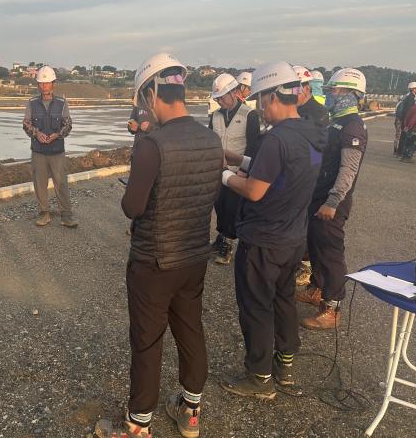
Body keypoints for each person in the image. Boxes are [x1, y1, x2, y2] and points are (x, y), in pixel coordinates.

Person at [95, 53, 223, 438]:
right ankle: (191, 410)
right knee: (190, 329)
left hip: (154, 260)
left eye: (142, 97)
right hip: (194, 255)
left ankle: (138, 425)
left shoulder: (152, 144)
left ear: (152, 93)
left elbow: (132, 207)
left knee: (147, 341)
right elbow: (211, 194)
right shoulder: (211, 139)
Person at [219, 61, 324, 399]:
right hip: (293, 237)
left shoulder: (276, 139)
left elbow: (254, 190)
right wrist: (235, 158)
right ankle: (285, 365)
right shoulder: (309, 133)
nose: (261, 108)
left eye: (261, 100)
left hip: (264, 240)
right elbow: (283, 170)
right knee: (283, 300)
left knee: (256, 306)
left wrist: (223, 175)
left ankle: (259, 377)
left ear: (272, 97)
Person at [298, 69, 368, 329]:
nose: (330, 94)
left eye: (335, 90)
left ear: (352, 94)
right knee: (315, 245)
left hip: (332, 202)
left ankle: (333, 306)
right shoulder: (335, 122)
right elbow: (319, 157)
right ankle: (317, 288)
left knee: (330, 252)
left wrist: (333, 202)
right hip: (318, 195)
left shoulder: (352, 127)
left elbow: (348, 170)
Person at [208, 73, 260, 265]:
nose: (220, 101)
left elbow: (253, 145)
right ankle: (221, 237)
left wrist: (244, 171)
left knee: (232, 208)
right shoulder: (215, 116)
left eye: (222, 97)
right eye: (217, 99)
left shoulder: (249, 115)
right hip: (218, 170)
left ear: (233, 92)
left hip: (238, 171)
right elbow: (211, 141)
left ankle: (228, 245)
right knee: (219, 206)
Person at [22, 66, 78, 228]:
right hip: (38, 152)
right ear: (38, 85)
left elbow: (68, 124)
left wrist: (58, 134)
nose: (44, 86)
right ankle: (44, 213)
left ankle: (66, 215)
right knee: (40, 184)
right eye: (41, 83)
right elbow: (26, 124)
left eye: (47, 83)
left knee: (61, 183)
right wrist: (36, 133)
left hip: (57, 152)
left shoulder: (61, 103)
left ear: (53, 84)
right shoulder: (32, 103)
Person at [293, 66, 330, 286]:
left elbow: (317, 151)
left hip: (309, 177)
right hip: (293, 174)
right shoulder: (295, 109)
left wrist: (309, 175)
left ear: (306, 88)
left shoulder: (317, 112)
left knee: (306, 223)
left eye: (295, 89)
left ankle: (306, 268)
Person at [395, 81, 416, 156]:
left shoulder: (407, 96)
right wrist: (407, 123)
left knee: (402, 136)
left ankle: (398, 151)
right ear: (413, 89)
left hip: (402, 119)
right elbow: (408, 111)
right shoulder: (411, 98)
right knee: (404, 136)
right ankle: (400, 152)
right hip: (405, 120)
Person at [400, 93, 416, 162]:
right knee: (412, 143)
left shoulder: (412, 108)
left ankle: (404, 156)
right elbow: (414, 119)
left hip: (410, 128)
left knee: (408, 142)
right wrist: (409, 127)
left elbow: (407, 118)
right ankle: (407, 157)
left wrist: (406, 126)